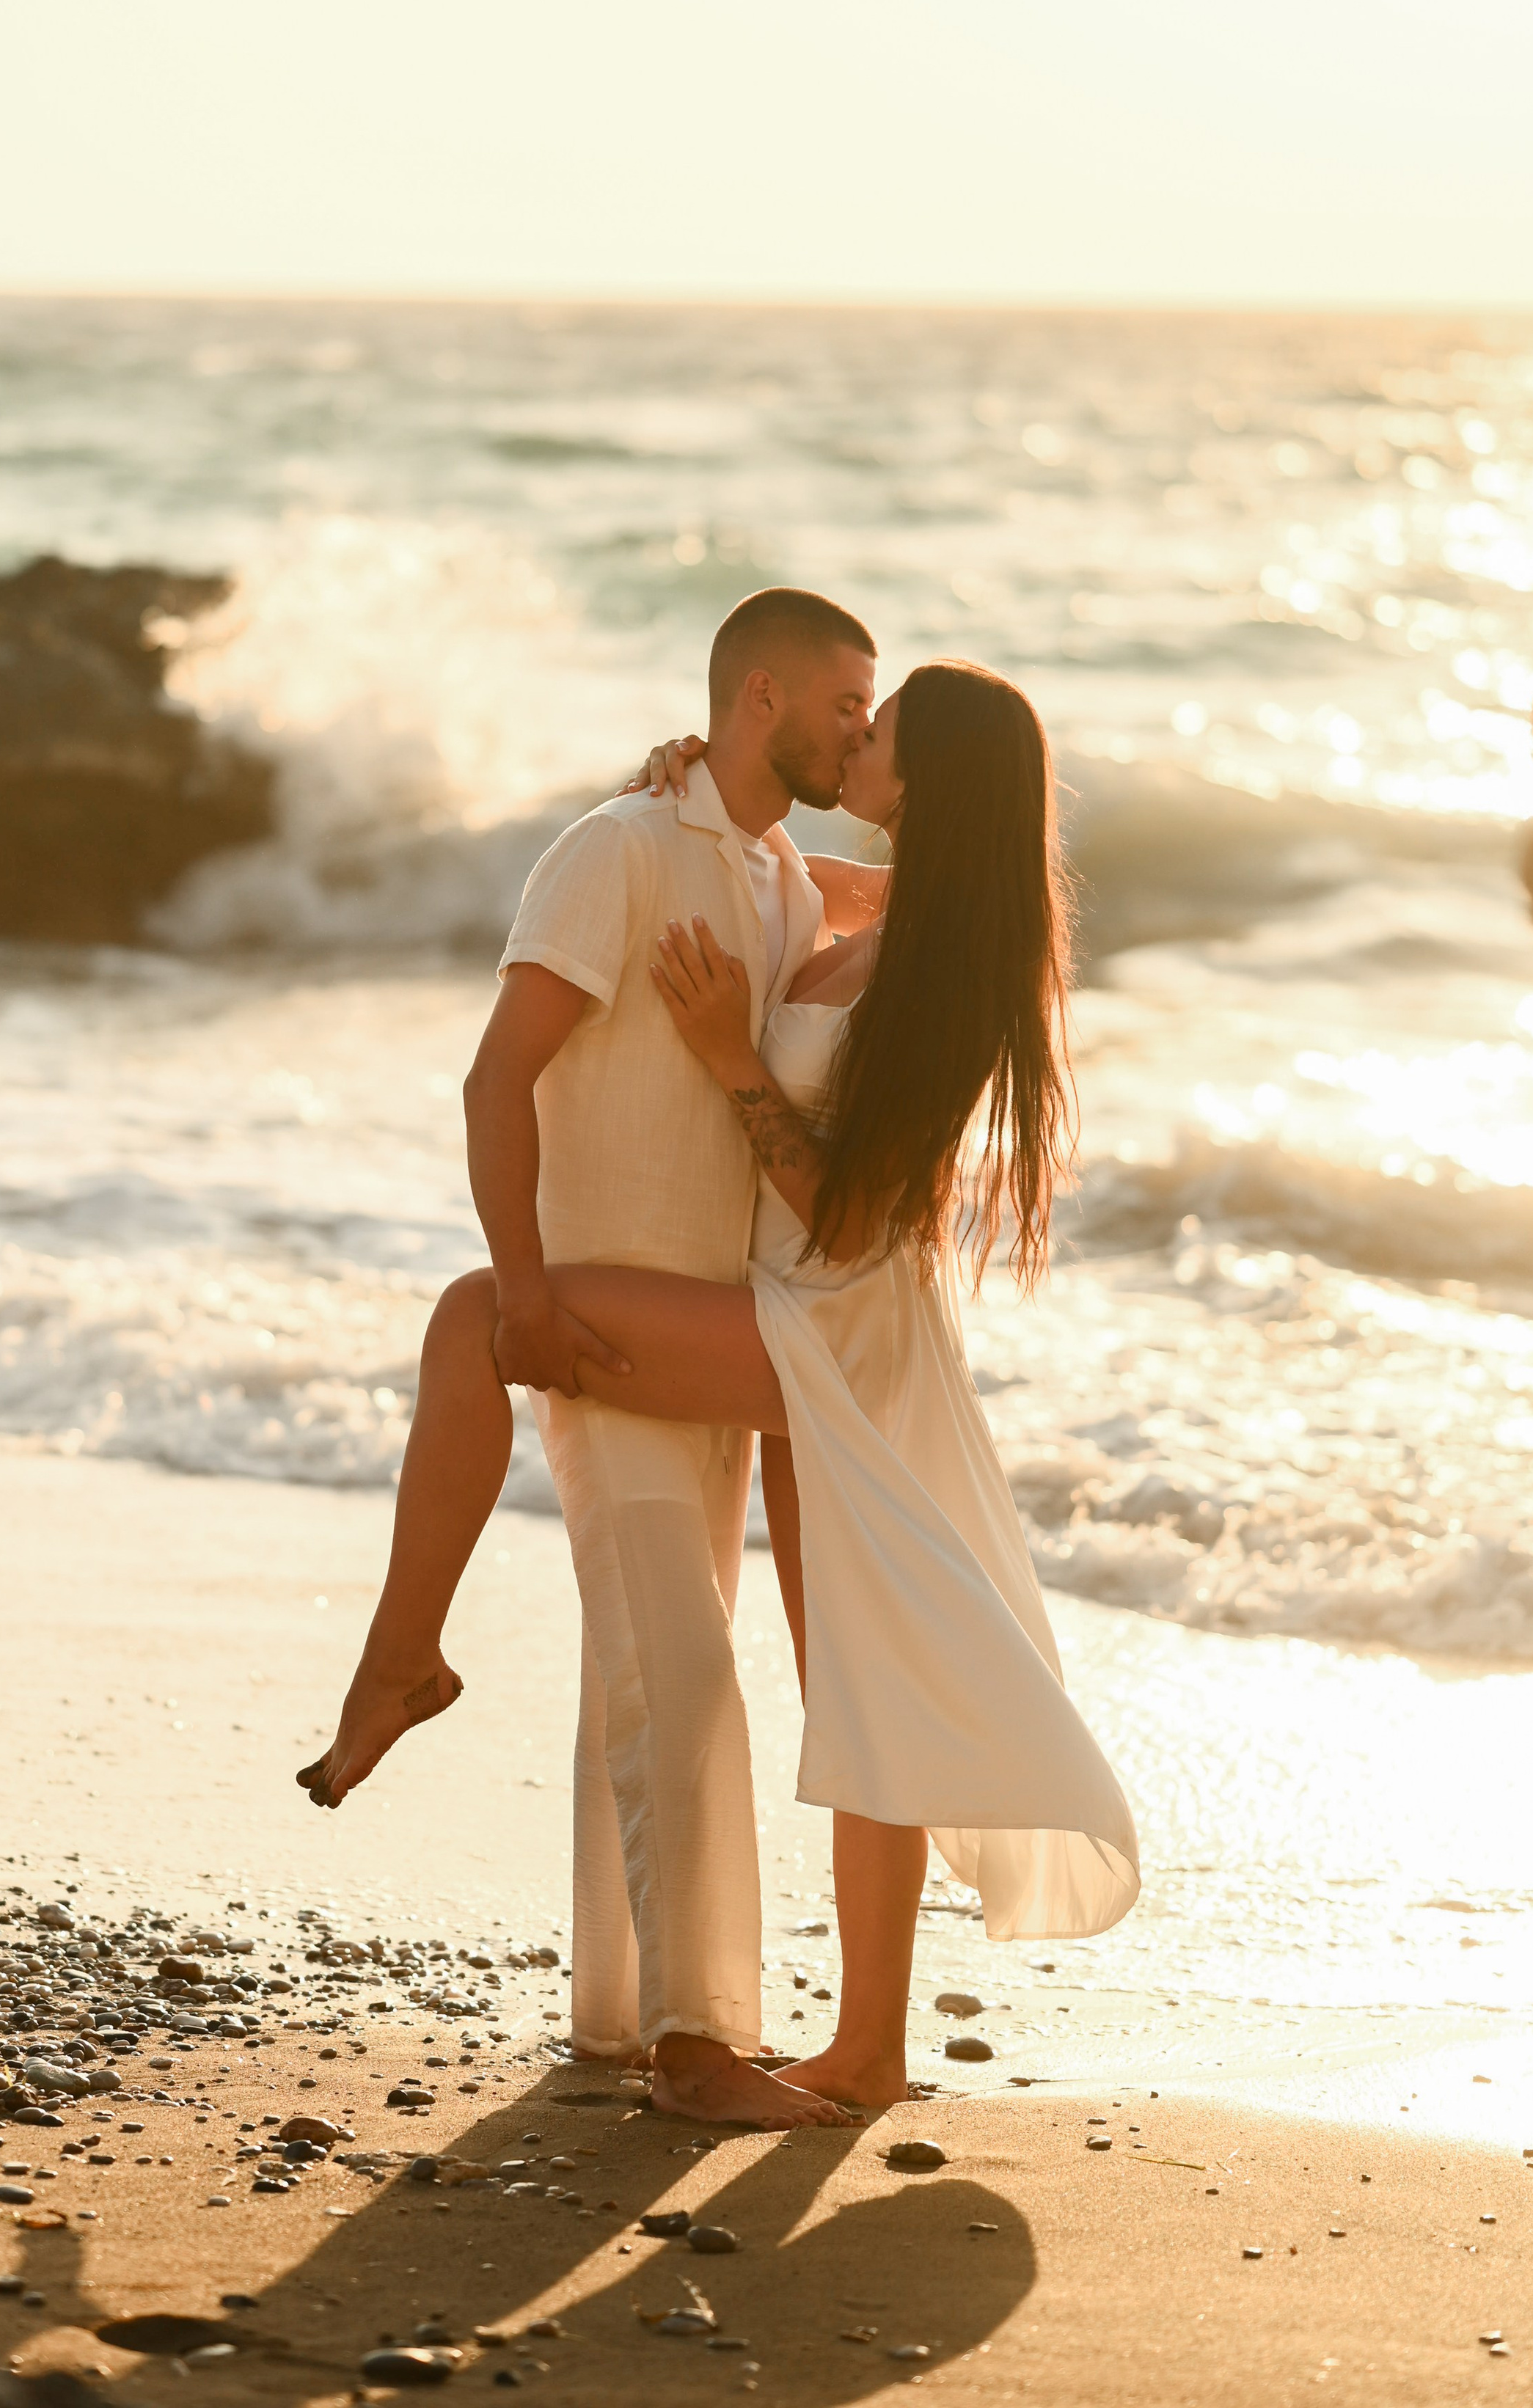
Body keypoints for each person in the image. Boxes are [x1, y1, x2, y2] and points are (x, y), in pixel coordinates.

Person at [300, 634, 1142, 2118]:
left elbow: (844, 1215)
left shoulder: (944, 961)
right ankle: (866, 2050)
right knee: (857, 1680)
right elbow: (769, 869)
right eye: (845, 710)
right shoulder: (869, 900)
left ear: (921, 773)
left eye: (875, 726)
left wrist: (722, 1055)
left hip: (824, 1327)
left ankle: (402, 1655)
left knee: (476, 1313)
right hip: (796, 1317)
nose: (854, 741)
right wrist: (687, 805)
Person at [299, 586, 880, 2132]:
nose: (855, 731)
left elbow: (933, 899)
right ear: (759, 694)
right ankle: (696, 2045)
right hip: (599, 1319)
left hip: (713, 1334)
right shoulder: (612, 851)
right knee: (677, 1668)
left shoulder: (769, 876)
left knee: (643, 1648)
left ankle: (616, 2011)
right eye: (840, 704)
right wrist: (532, 1288)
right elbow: (497, 1075)